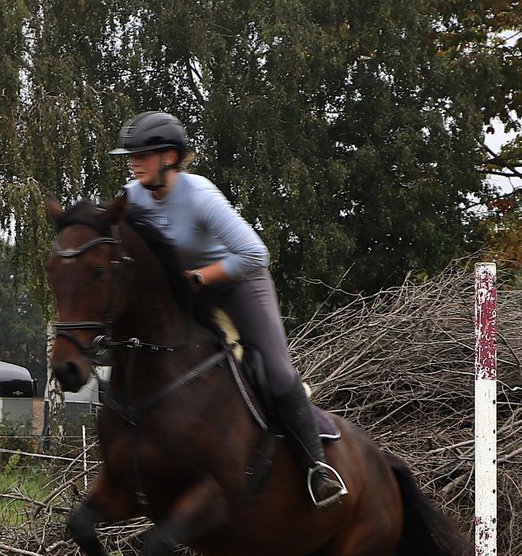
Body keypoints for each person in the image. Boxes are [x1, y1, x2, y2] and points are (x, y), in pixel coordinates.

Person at [111, 110, 347, 507]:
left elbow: (256, 254)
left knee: (274, 371)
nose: (133, 162)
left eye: (142, 154)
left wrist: (201, 277)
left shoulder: (200, 196)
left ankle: (317, 468)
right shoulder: (131, 196)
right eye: (130, 155)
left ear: (169, 157)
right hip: (186, 291)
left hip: (238, 284)